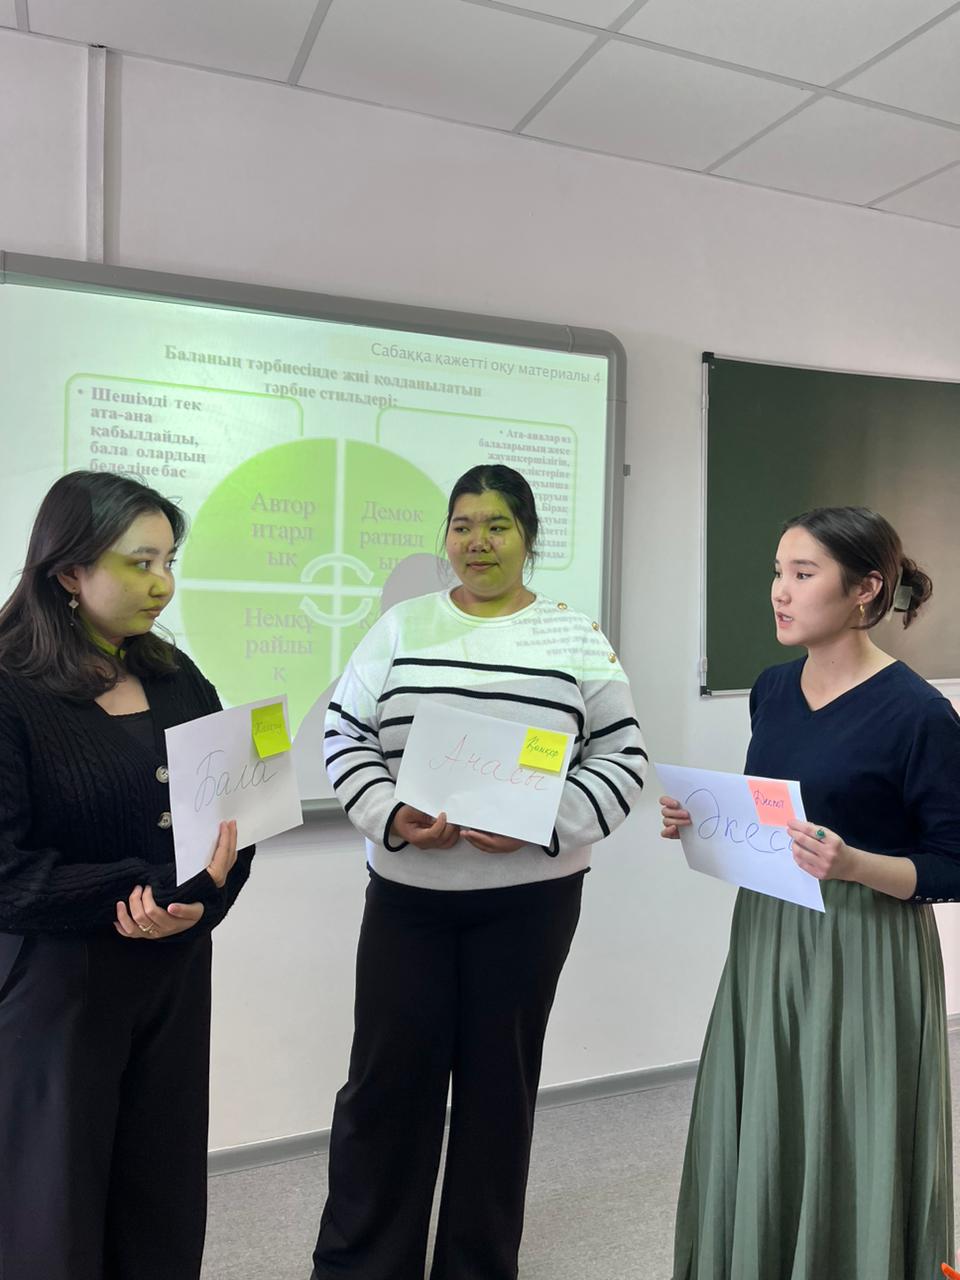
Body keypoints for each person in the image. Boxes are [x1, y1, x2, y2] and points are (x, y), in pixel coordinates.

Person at [312, 464, 646, 1280]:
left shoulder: (574, 636)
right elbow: (344, 733)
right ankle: (361, 1267)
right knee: (385, 1088)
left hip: (530, 905)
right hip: (409, 902)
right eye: (462, 525)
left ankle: (477, 1266)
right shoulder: (402, 627)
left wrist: (543, 822)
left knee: (499, 1095)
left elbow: (623, 758)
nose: (478, 542)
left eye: (498, 525)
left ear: (528, 538)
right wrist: (389, 813)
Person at [661, 506, 959, 1280]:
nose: (779, 592)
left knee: (847, 1124)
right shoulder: (771, 689)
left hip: (865, 946)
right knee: (767, 1114)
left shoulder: (919, 714)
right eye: (777, 572)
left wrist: (856, 864)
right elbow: (778, 812)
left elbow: (952, 864)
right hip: (766, 936)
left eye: (802, 574)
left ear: (865, 589)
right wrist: (704, 820)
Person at [0, 470, 255, 1280]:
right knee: (55, 1206)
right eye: (140, 562)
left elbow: (238, 818)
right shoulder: (10, 688)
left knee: (161, 1191)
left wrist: (202, 902)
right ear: (69, 570)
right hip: (57, 990)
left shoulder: (179, 676)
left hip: (172, 975)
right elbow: (6, 873)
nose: (162, 583)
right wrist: (139, 891)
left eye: (169, 561)